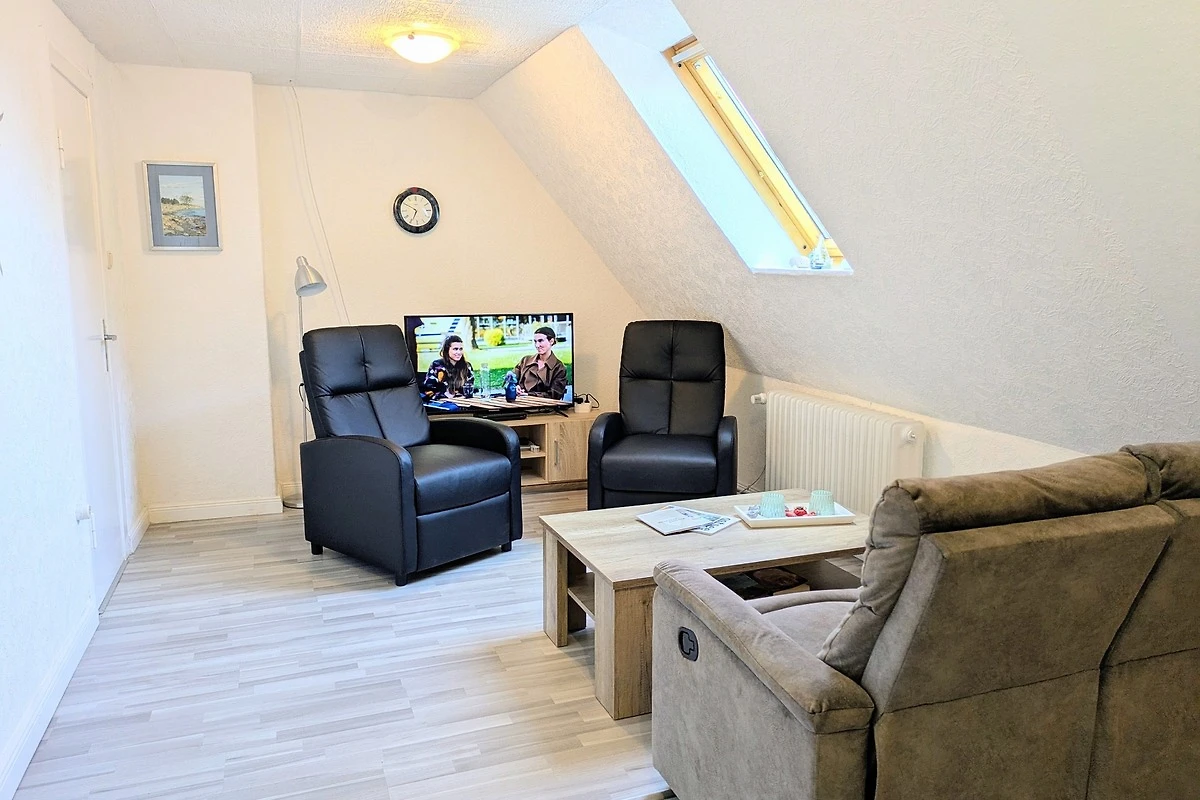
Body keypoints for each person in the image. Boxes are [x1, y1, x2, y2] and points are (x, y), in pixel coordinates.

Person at [513, 326, 567, 400]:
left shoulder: (559, 368)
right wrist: (514, 387)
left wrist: (528, 395)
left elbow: (554, 395)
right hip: (519, 403)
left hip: (544, 406)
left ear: (551, 341)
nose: (537, 345)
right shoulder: (525, 360)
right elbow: (510, 378)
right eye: (535, 341)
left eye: (540, 341)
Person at [422, 335, 475, 400]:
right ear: (447, 350)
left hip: (462, 401)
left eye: (461, 349)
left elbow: (469, 389)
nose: (459, 352)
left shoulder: (467, 366)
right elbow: (428, 390)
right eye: (455, 349)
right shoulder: (437, 365)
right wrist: (445, 395)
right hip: (441, 402)